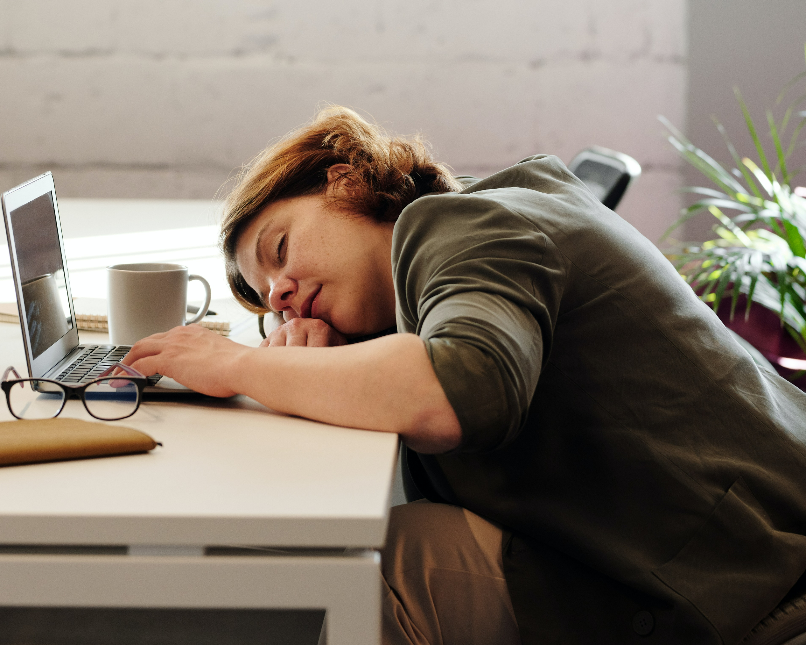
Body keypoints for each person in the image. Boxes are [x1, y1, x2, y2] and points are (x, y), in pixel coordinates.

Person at [122, 106, 806, 645]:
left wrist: (244, 364)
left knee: (379, 568)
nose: (277, 292)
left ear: (342, 179)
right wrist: (307, 364)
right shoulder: (478, 220)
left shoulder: (456, 225)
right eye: (264, 291)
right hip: (737, 540)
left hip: (751, 579)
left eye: (279, 249)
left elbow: (461, 386)